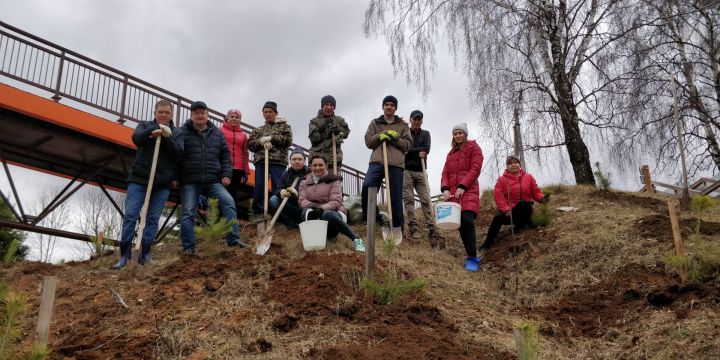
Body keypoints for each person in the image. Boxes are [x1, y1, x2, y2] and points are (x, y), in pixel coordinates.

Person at [113, 99, 183, 269]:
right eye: (161, 112)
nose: (164, 115)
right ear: (155, 113)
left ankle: (145, 254)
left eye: (167, 112)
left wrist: (165, 137)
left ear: (171, 115)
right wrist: (154, 130)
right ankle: (125, 255)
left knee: (152, 219)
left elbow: (178, 153)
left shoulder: (177, 133)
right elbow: (137, 139)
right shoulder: (144, 125)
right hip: (139, 179)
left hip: (162, 182)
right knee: (130, 215)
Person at [179, 101, 247, 255]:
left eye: (203, 113)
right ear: (192, 115)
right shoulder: (182, 132)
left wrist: (226, 174)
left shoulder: (217, 133)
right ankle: (188, 247)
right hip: (190, 180)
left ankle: (233, 239)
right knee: (188, 211)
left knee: (228, 202)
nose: (200, 115)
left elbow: (225, 156)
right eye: (196, 113)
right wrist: (177, 177)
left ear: (207, 115)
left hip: (212, 180)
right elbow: (176, 156)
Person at [361, 95, 412, 239]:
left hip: (395, 163)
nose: (389, 107)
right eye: (387, 104)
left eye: (392, 105)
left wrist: (394, 138)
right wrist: (381, 135)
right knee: (367, 187)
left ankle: (397, 229)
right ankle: (372, 217)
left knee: (395, 197)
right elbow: (369, 142)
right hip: (377, 161)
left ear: (395, 108)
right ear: (383, 107)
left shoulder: (402, 125)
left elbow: (408, 145)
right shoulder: (375, 123)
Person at [440, 123, 484, 272]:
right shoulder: (450, 153)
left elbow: (475, 169)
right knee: (460, 224)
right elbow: (445, 172)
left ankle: (472, 257)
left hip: (469, 190)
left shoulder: (474, 148)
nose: (457, 136)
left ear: (465, 134)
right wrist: (445, 189)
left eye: (460, 133)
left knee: (467, 220)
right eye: (455, 133)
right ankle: (470, 255)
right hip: (454, 194)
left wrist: (463, 186)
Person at [300, 154, 365, 252]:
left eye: (320, 165)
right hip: (315, 213)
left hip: (335, 214)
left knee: (327, 214)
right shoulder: (304, 182)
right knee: (306, 212)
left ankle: (356, 239)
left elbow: (336, 201)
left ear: (326, 166)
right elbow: (302, 200)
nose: (317, 168)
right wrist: (311, 205)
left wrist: (321, 208)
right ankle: (315, 240)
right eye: (314, 165)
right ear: (310, 166)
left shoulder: (334, 180)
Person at [481, 155, 546, 250]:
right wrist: (506, 209)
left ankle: (525, 225)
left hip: (526, 210)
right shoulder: (502, 180)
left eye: (515, 162)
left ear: (519, 164)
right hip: (510, 212)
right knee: (498, 217)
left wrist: (542, 199)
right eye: (510, 163)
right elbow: (498, 196)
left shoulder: (529, 177)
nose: (513, 165)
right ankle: (487, 244)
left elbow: (536, 192)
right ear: (507, 166)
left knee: (524, 203)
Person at [248, 101, 293, 224]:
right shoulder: (258, 130)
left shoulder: (284, 127)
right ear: (263, 113)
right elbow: (250, 145)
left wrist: (272, 138)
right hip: (261, 161)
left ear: (276, 113)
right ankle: (258, 212)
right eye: (265, 112)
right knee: (259, 186)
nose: (268, 114)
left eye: (270, 112)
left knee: (278, 187)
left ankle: (277, 213)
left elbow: (288, 141)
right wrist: (260, 142)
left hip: (278, 161)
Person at [402, 109, 438, 245]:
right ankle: (413, 226)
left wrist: (413, 151)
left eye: (419, 119)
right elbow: (404, 149)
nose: (417, 121)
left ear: (421, 121)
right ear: (410, 120)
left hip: (421, 171)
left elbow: (426, 149)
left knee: (426, 199)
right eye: (414, 119)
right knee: (409, 199)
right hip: (406, 171)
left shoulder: (426, 134)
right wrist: (417, 151)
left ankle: (432, 228)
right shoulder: (405, 133)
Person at [268, 148, 310, 229]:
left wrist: (297, 193)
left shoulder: (310, 173)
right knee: (273, 200)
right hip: (289, 205)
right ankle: (290, 224)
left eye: (299, 159)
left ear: (304, 161)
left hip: (303, 206)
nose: (297, 161)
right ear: (290, 161)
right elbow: (278, 189)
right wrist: (282, 192)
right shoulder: (285, 174)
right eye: (294, 159)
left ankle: (302, 222)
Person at [308, 95, 350, 173]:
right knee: (316, 184)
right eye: (326, 105)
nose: (329, 107)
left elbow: (346, 133)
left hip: (333, 160)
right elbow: (314, 139)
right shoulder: (314, 121)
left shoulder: (339, 120)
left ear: (334, 107)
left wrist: (338, 129)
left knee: (334, 182)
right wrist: (326, 132)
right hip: (317, 160)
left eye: (331, 105)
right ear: (322, 106)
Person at [220, 109, 249, 204]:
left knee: (232, 194)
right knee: (220, 192)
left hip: (238, 169)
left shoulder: (243, 135)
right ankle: (216, 216)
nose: (234, 118)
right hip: (222, 166)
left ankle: (228, 218)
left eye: (237, 117)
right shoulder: (220, 131)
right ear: (227, 118)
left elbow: (245, 153)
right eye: (231, 116)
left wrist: (246, 171)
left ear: (240, 120)